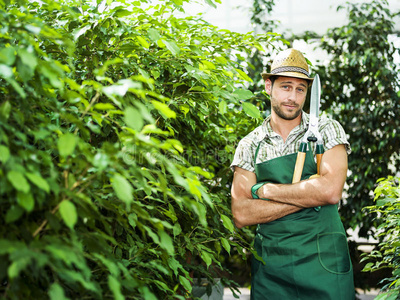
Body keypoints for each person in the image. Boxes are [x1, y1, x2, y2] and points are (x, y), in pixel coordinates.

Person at [230, 48, 355, 300]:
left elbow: (330, 192)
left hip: (324, 263)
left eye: (300, 89)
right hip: (271, 269)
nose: (293, 97)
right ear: (268, 86)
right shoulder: (250, 144)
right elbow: (242, 213)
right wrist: (309, 193)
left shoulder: (327, 130)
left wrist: (266, 191)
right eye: (286, 87)